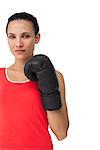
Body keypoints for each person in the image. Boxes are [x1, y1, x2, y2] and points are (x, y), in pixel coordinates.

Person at [0, 12, 69, 150]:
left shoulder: (54, 76)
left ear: (37, 38)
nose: (18, 43)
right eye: (12, 37)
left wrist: (48, 84)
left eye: (25, 36)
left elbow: (61, 133)